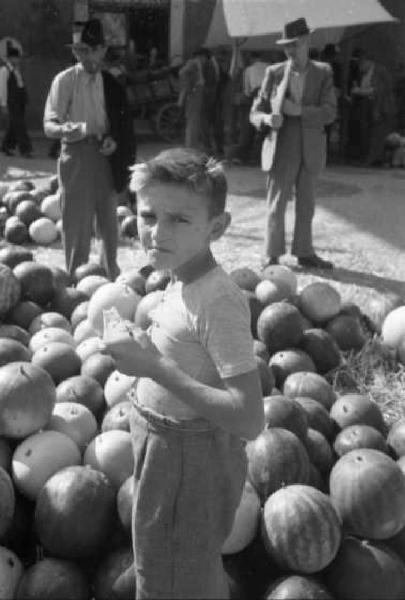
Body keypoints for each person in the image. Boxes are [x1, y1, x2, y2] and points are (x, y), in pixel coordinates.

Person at [102, 147, 264, 599]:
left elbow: (250, 419)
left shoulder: (217, 300)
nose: (155, 233)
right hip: (164, 452)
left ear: (217, 227)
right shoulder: (181, 274)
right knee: (173, 566)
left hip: (188, 464)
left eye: (179, 220)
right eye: (148, 215)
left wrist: (153, 366)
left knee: (170, 576)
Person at [43, 19, 136, 280]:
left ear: (102, 50)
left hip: (106, 157)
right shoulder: (64, 81)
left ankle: (109, 277)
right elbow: (49, 124)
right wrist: (64, 130)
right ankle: (77, 280)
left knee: (108, 222)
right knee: (77, 223)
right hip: (76, 156)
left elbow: (121, 124)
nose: (84, 56)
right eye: (79, 51)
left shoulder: (112, 84)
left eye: (89, 50)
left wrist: (114, 140)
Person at [250, 17, 336, 269]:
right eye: (286, 45)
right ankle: (272, 253)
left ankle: (304, 252)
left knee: (306, 204)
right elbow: (254, 112)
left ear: (307, 41)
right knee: (276, 203)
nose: (290, 50)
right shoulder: (274, 73)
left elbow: (330, 112)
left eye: (295, 44)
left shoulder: (323, 72)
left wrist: (299, 111)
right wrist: (267, 118)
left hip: (311, 148)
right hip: (281, 147)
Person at [347, 51, 395, 166]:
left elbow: (378, 91)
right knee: (368, 133)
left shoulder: (379, 71)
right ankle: (371, 157)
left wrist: (358, 91)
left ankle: (373, 158)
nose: (359, 66)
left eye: (361, 63)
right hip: (369, 105)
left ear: (368, 62)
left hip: (380, 106)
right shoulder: (366, 72)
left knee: (377, 134)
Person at [178, 48, 219, 152]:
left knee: (195, 121)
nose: (206, 60)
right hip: (195, 93)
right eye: (205, 57)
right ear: (201, 56)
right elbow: (182, 73)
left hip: (197, 93)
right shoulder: (193, 63)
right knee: (193, 120)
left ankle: (193, 144)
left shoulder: (197, 64)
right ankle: (191, 146)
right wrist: (190, 87)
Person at [0, 45, 32, 158]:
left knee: (14, 126)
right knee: (20, 125)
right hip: (11, 102)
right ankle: (26, 149)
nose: (17, 60)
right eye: (15, 58)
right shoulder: (4, 70)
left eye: (18, 58)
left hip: (19, 102)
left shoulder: (17, 70)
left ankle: (6, 146)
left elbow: (21, 85)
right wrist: (3, 104)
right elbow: (2, 88)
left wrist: (25, 99)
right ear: (9, 58)